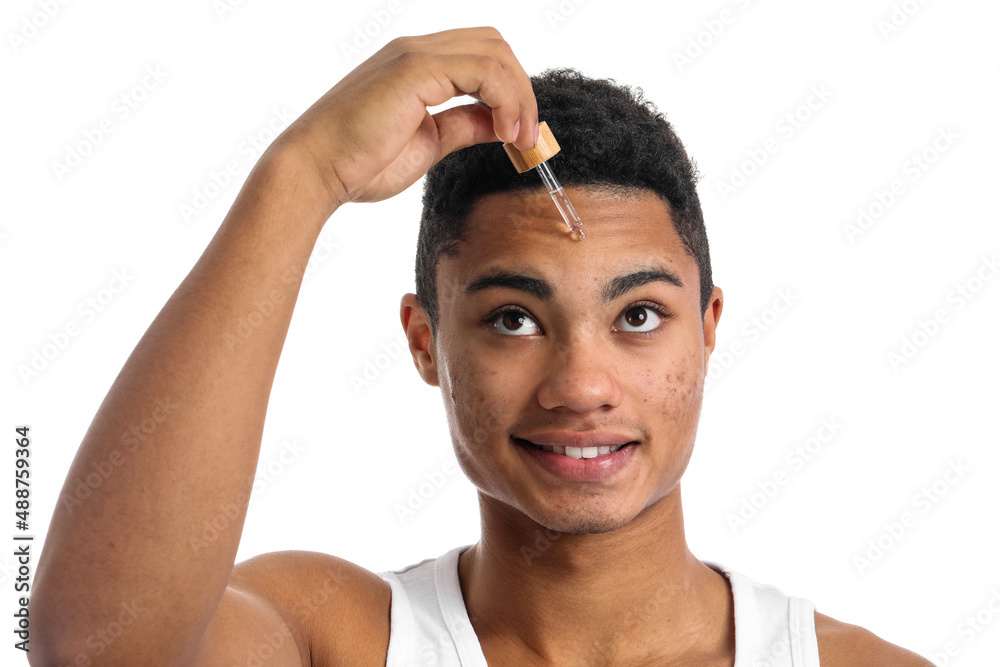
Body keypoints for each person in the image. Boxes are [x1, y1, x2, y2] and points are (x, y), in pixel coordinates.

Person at [30, 26, 932, 666]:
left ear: (709, 329)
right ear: (425, 342)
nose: (582, 385)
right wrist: (303, 176)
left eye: (640, 316)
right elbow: (97, 647)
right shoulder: (337, 637)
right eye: (513, 318)